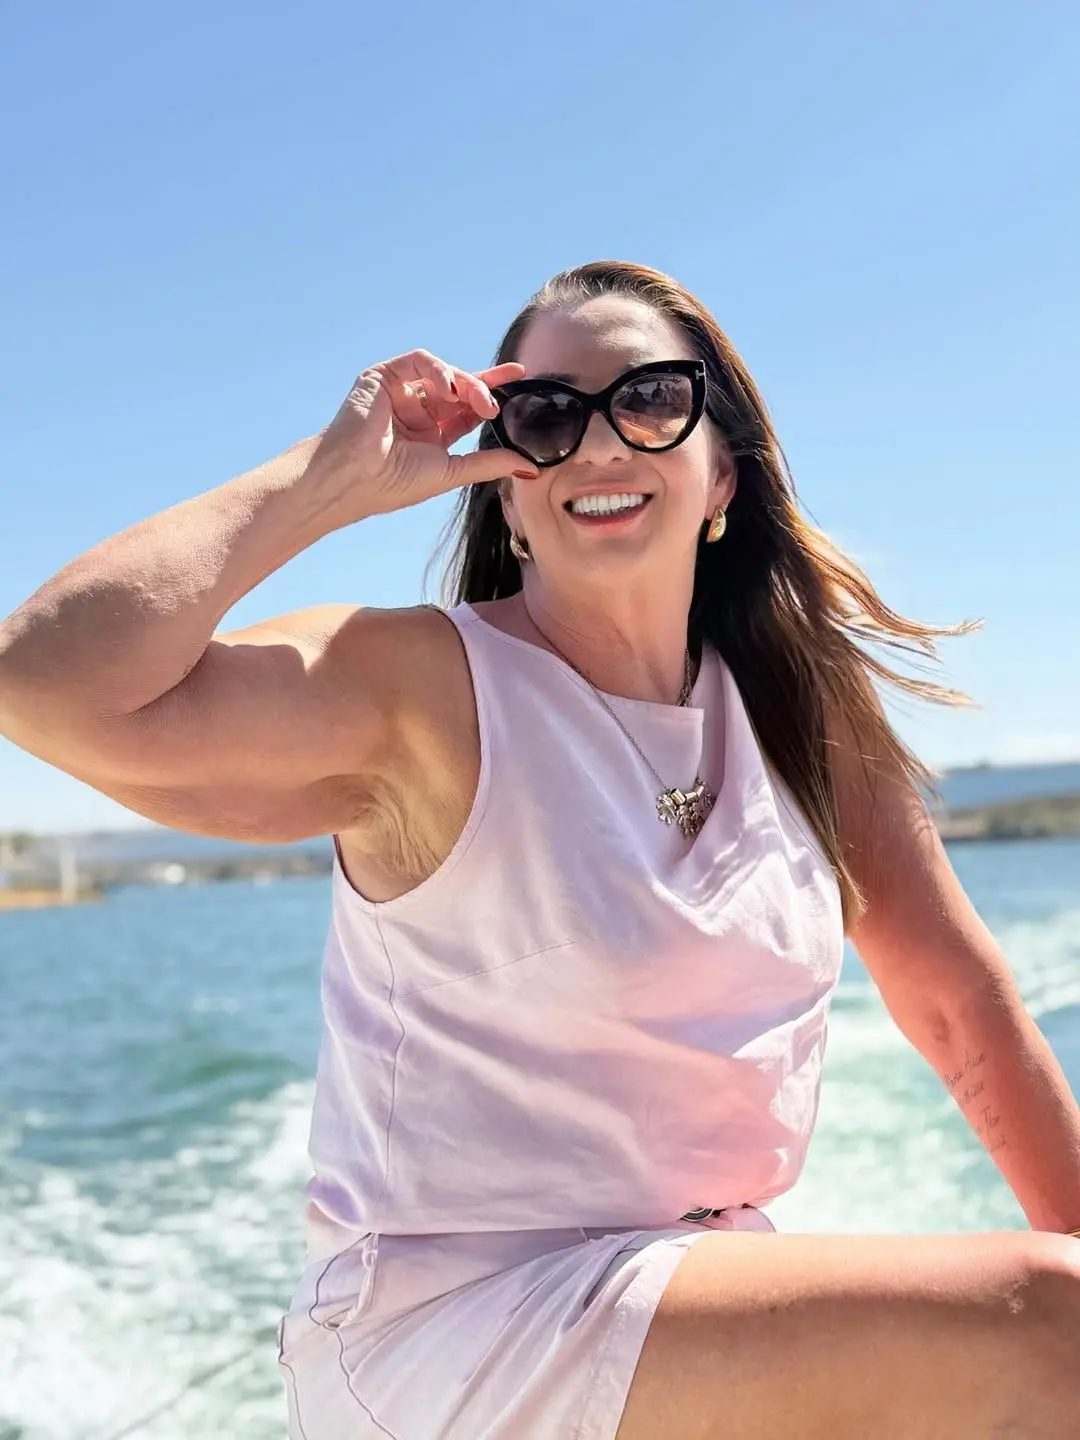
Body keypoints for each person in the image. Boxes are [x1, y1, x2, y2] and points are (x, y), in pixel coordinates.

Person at [1, 259, 1079, 1439]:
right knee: (1041, 1319)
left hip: (696, 1300)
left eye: (653, 400)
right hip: (457, 1332)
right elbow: (45, 688)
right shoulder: (414, 691)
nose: (604, 445)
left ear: (722, 469)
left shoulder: (802, 714)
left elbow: (962, 1011)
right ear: (507, 493)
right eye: (548, 418)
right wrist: (326, 483)